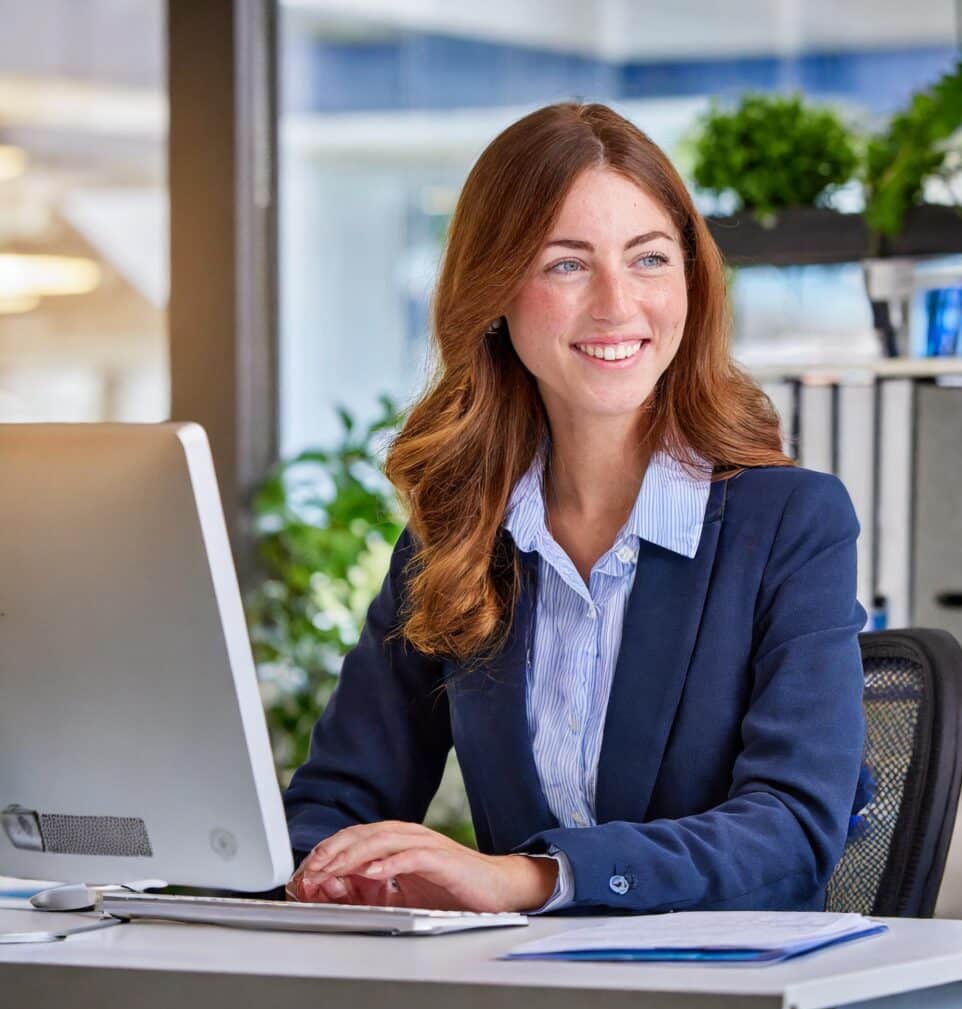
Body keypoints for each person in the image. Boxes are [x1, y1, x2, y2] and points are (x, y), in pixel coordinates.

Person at [283, 101, 868, 915]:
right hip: (520, 989)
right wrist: (303, 869)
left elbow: (792, 828)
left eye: (650, 260)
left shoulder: (791, 525)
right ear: (493, 296)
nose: (617, 305)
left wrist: (534, 879)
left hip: (714, 990)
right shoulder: (457, 537)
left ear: (692, 283)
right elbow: (337, 803)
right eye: (566, 264)